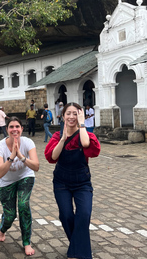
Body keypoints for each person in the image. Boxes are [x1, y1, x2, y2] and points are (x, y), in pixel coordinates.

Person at [44, 102, 101, 259]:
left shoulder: (86, 135)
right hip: (62, 182)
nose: (71, 117)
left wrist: (82, 124)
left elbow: (86, 144)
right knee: (66, 215)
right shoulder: (56, 137)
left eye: (75, 113)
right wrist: (62, 139)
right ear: (63, 116)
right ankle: (78, 247)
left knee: (84, 214)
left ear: (80, 115)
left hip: (82, 182)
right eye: (68, 113)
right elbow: (52, 157)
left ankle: (77, 252)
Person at [0, 117, 39, 256]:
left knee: (24, 205)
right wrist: (12, 156)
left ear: (22, 129)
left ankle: (26, 242)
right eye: (11, 127)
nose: (15, 129)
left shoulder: (28, 142)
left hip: (25, 177)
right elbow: (0, 173)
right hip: (6, 182)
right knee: (10, 215)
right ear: (7, 129)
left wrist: (21, 156)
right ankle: (2, 229)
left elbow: (36, 166)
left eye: (17, 126)